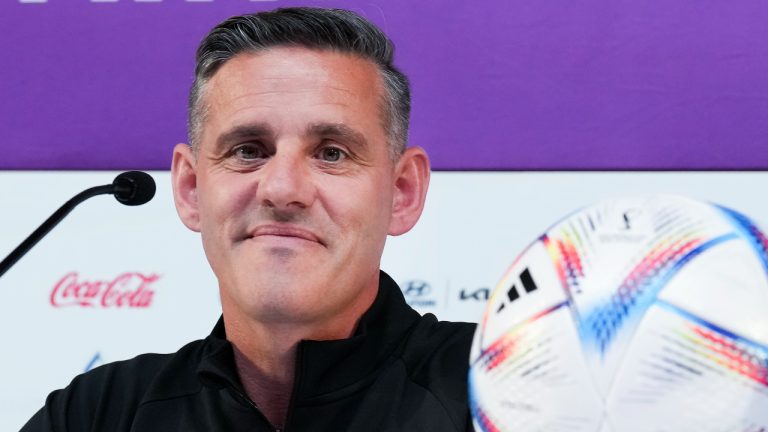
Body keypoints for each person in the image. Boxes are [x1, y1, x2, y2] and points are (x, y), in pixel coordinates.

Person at [22, 7, 475, 431]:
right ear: (191, 190)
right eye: (248, 151)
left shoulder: (508, 390)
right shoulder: (97, 415)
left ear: (402, 193)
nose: (282, 189)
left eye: (331, 154)